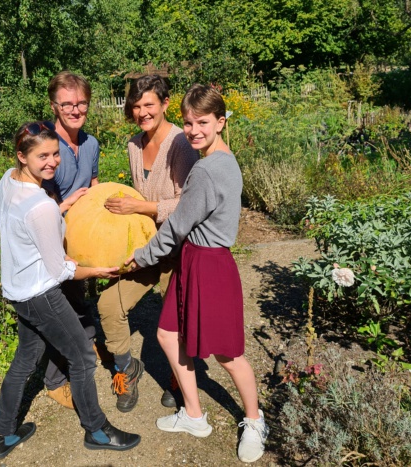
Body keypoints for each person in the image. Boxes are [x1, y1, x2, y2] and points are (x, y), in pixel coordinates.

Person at [125, 85, 269, 463]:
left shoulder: (207, 170)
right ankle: (193, 414)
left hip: (210, 264)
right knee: (168, 334)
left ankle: (254, 420)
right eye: (188, 123)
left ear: (221, 122)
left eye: (202, 122)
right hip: (194, 259)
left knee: (228, 354)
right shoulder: (222, 157)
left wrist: (142, 257)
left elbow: (175, 227)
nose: (193, 130)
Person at [0, 121, 140, 459]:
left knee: (26, 359)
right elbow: (61, 270)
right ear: (22, 156)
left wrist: (67, 202)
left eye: (55, 154)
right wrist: (100, 270)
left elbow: (25, 225)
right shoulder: (41, 205)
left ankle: (3, 434)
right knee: (83, 357)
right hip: (42, 294)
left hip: (18, 292)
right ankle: (98, 430)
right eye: (42, 156)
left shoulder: (8, 181)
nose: (52, 162)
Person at [101, 75, 199, 412]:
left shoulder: (181, 144)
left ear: (165, 104)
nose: (142, 112)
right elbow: (139, 197)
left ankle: (178, 376)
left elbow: (188, 204)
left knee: (180, 314)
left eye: (149, 105)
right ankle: (127, 368)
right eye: (136, 106)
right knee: (109, 305)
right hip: (146, 246)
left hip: (178, 247)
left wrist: (140, 207)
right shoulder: (133, 144)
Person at [40, 71, 102, 409]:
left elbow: (93, 187)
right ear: (54, 106)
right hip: (50, 240)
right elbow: (33, 201)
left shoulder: (91, 144)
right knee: (57, 311)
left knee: (78, 298)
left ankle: (87, 343)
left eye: (81, 103)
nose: (75, 110)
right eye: (67, 104)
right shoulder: (45, 144)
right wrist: (64, 207)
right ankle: (54, 380)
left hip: (79, 237)